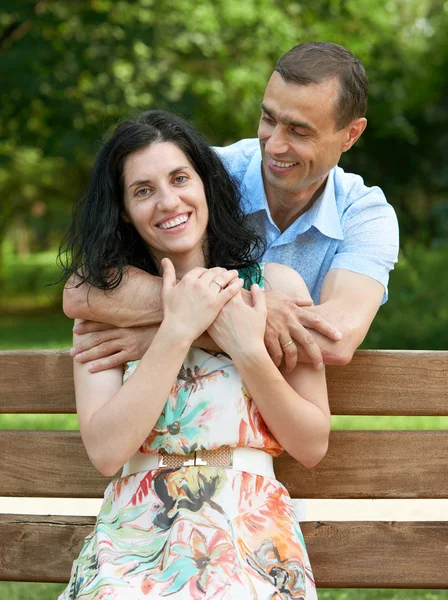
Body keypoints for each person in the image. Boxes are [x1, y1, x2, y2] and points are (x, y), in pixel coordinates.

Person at [58, 110, 328, 599]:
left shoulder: (277, 291)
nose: (168, 201)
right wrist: (175, 330)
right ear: (122, 209)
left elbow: (311, 444)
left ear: (204, 184)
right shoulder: (103, 306)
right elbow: (105, 452)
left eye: (180, 178)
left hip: (248, 527)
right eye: (143, 190)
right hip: (135, 533)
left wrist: (246, 349)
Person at [63, 42, 399, 376]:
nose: (275, 144)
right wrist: (256, 308)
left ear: (351, 134)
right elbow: (83, 292)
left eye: (298, 131)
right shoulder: (202, 176)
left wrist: (164, 336)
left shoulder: (365, 214)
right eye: (269, 119)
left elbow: (335, 339)